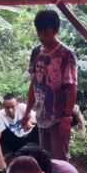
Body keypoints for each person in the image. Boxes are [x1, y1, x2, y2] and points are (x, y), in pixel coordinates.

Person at [21, 9, 78, 161]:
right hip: (41, 117)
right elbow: (34, 83)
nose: (41, 37)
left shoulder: (66, 54)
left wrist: (67, 118)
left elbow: (71, 86)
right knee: (44, 160)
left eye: (46, 33)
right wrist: (27, 113)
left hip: (59, 118)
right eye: (39, 32)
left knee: (60, 160)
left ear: (56, 30)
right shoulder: (36, 52)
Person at [0, 93, 39, 171]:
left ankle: (38, 151)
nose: (10, 110)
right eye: (7, 108)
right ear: (3, 106)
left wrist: (29, 121)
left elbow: (39, 120)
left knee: (38, 128)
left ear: (17, 105)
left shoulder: (23, 108)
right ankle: (8, 154)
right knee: (0, 132)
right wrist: (1, 160)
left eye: (13, 107)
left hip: (28, 138)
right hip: (13, 141)